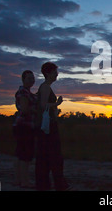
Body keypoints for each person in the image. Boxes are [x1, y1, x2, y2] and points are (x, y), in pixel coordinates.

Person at [35, 62, 70, 191]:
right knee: (54, 156)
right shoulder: (45, 87)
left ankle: (48, 185)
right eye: (55, 72)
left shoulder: (46, 87)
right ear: (48, 73)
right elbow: (43, 105)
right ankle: (58, 185)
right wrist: (56, 104)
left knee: (46, 156)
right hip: (48, 128)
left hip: (48, 126)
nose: (57, 74)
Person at [13, 70, 37, 188]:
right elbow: (25, 109)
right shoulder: (23, 92)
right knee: (25, 155)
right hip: (24, 126)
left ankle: (18, 180)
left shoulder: (28, 92)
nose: (32, 80)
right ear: (23, 79)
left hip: (22, 126)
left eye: (32, 78)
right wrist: (37, 111)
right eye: (29, 78)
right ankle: (25, 181)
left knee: (19, 153)